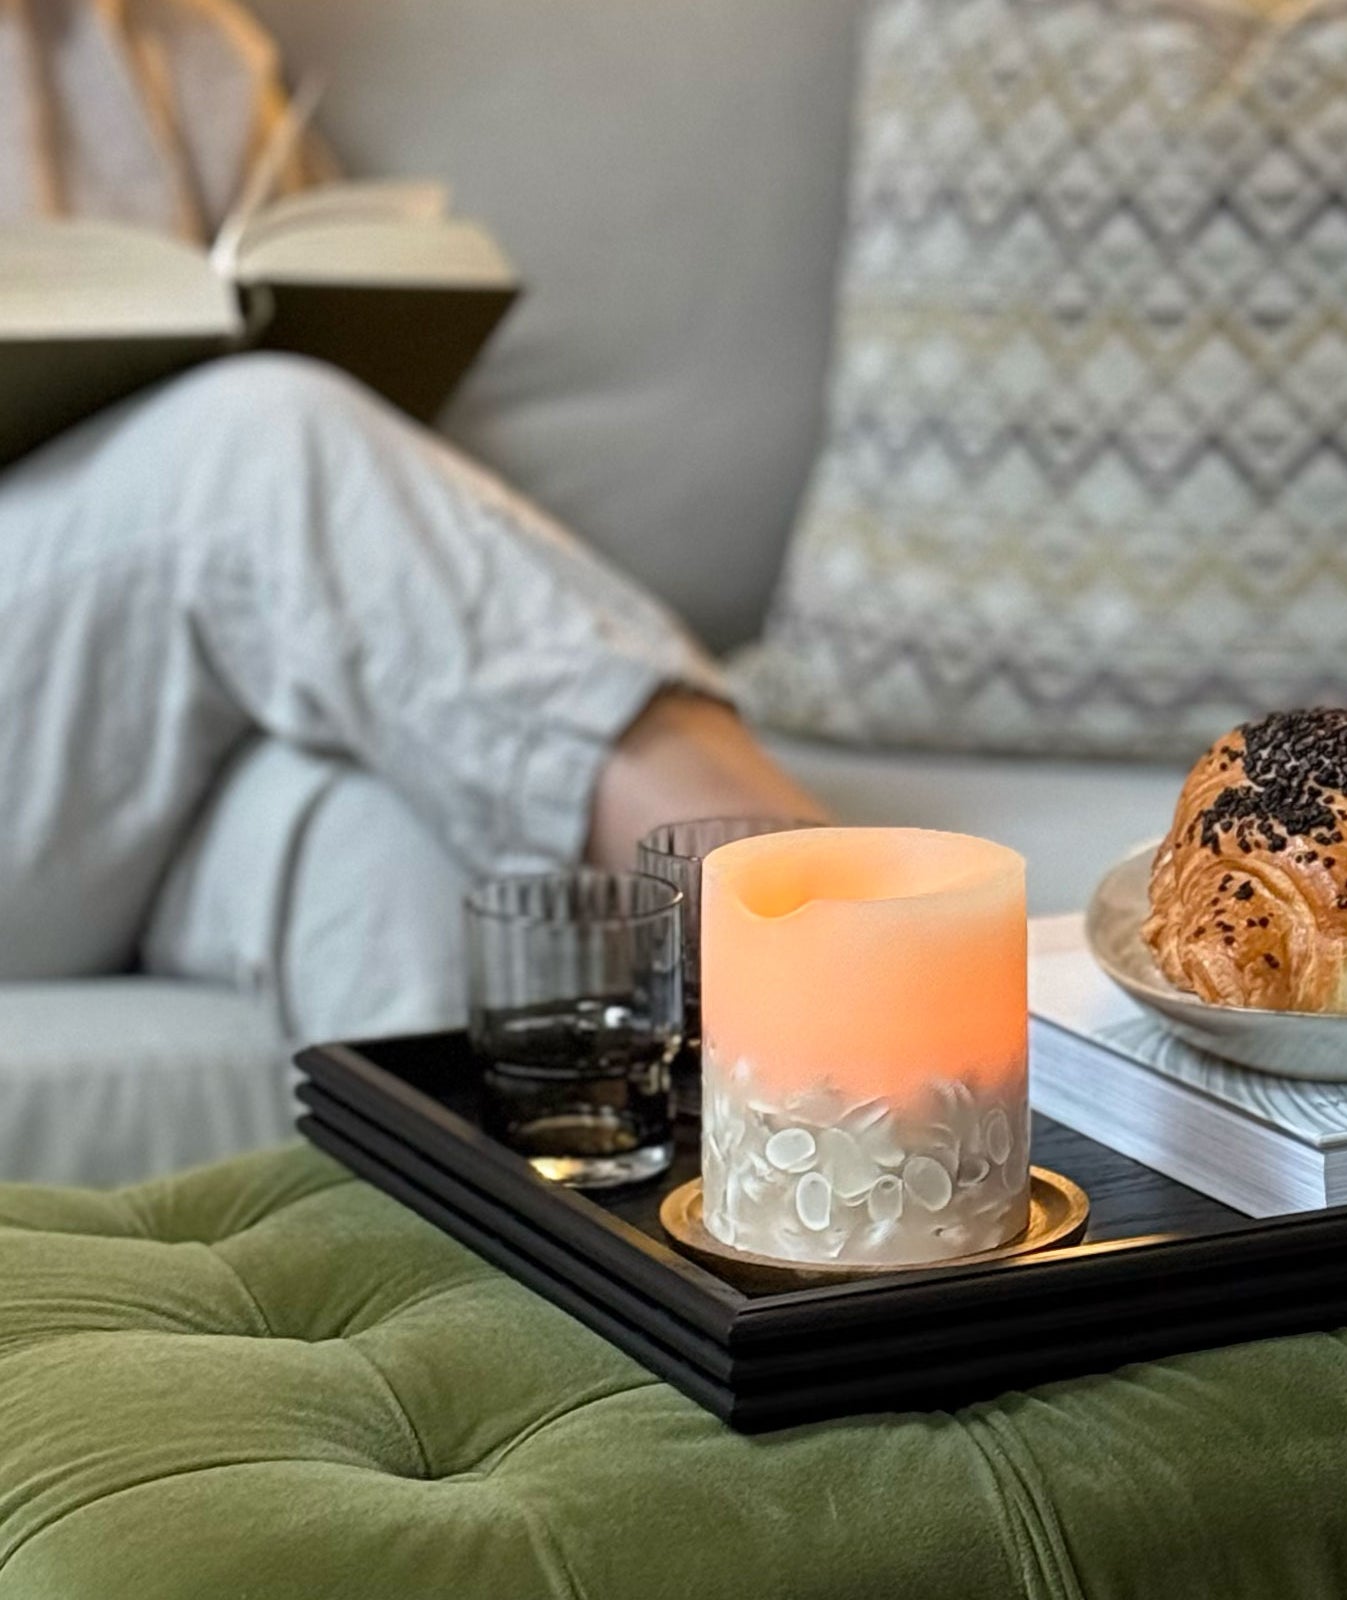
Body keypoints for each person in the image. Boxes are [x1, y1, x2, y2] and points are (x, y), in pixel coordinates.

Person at [1, 0, 824, 1042]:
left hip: (144, 780)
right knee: (262, 439)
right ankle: (814, 915)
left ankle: (822, 1098)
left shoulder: (180, 43)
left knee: (399, 869)